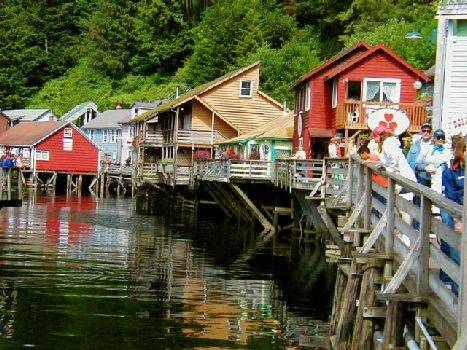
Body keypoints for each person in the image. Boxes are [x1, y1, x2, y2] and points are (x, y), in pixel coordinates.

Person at [439, 136, 465, 295]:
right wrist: (457, 220)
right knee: (458, 256)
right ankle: (458, 297)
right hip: (460, 216)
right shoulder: (452, 172)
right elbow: (451, 197)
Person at [406, 121, 434, 228]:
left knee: (429, 205)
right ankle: (416, 227)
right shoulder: (415, 145)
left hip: (432, 178)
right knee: (417, 202)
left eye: (428, 131)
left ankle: (427, 228)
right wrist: (422, 167)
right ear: (421, 132)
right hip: (418, 176)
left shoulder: (435, 144)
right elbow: (409, 162)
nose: (426, 132)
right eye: (424, 130)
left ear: (431, 132)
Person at [423, 129, 451, 215]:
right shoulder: (430, 149)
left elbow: (447, 160)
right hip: (432, 179)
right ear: (434, 139)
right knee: (434, 204)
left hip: (444, 179)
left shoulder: (446, 150)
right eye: (438, 137)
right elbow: (426, 160)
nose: (440, 139)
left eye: (442, 137)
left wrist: (438, 162)